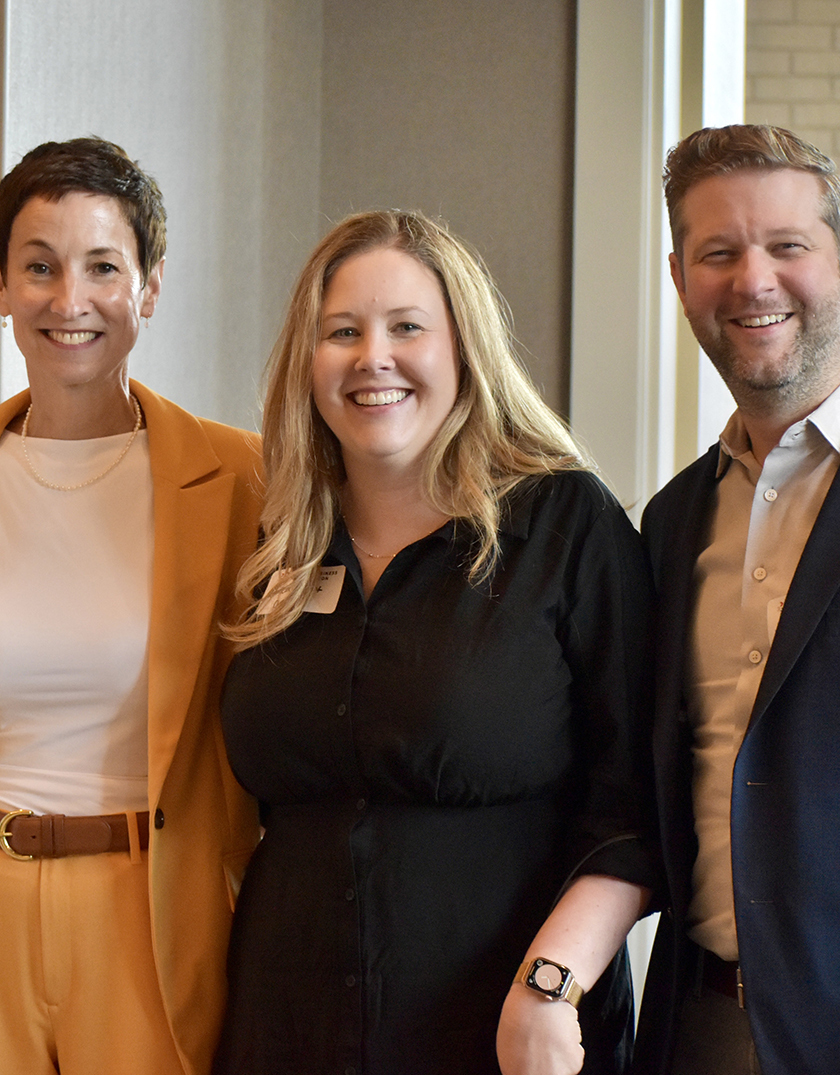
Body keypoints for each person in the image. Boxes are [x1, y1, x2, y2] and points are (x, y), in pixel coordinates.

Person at [215, 210, 657, 1075]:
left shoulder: (565, 523)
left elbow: (634, 807)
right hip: (289, 1025)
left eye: (406, 327)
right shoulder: (279, 542)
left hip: (507, 1024)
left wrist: (550, 985)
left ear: (465, 348)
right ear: (308, 363)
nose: (371, 356)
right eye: (341, 331)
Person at [0, 137, 263, 1075]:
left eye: (103, 267)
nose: (68, 299)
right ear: (0, 283)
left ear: (151, 286)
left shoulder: (242, 477)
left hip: (151, 898)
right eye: (39, 267)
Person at [634, 124, 840, 1075]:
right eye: (718, 253)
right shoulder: (672, 522)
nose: (753, 281)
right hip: (705, 1023)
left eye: (787, 246)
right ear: (680, 279)